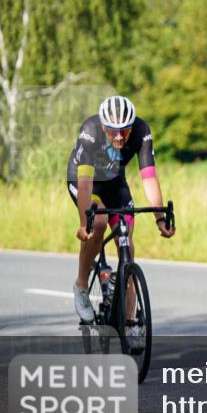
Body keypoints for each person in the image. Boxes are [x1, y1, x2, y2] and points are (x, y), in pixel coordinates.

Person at [68, 95, 175, 323]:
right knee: (97, 223)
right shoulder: (90, 130)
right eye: (112, 131)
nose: (119, 136)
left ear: (132, 126)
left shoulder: (141, 130)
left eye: (124, 131)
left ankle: (129, 323)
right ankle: (81, 285)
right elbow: (85, 184)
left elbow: (148, 177)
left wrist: (159, 218)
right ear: (103, 126)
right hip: (85, 181)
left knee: (126, 236)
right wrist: (83, 223)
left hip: (115, 183)